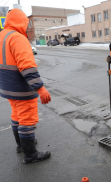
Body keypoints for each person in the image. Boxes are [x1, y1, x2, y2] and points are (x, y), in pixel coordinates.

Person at [0, 9, 51, 164]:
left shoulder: (2, 36)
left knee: (16, 116)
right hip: (21, 88)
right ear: (21, 22)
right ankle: (31, 155)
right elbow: (27, 67)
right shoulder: (18, 38)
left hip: (7, 88)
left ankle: (21, 146)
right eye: (26, 23)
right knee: (27, 120)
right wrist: (40, 89)